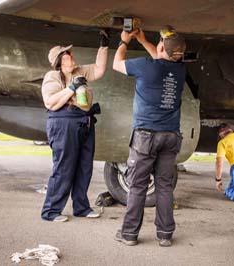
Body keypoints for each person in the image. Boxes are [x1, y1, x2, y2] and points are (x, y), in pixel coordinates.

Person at [112, 26, 186, 247]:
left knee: (137, 186)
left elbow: (116, 64)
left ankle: (129, 234)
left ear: (162, 46)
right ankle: (165, 234)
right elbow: (162, 57)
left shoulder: (146, 66)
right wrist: (144, 39)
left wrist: (125, 41)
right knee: (164, 186)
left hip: (146, 137)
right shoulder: (179, 70)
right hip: (171, 136)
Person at [40, 31, 109, 222]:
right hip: (63, 124)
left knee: (84, 167)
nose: (72, 56)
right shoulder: (53, 76)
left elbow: (99, 69)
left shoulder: (79, 71)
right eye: (68, 55)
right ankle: (51, 211)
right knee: (64, 168)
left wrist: (103, 47)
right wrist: (71, 88)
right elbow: (50, 102)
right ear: (61, 61)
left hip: (84, 122)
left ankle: (81, 207)